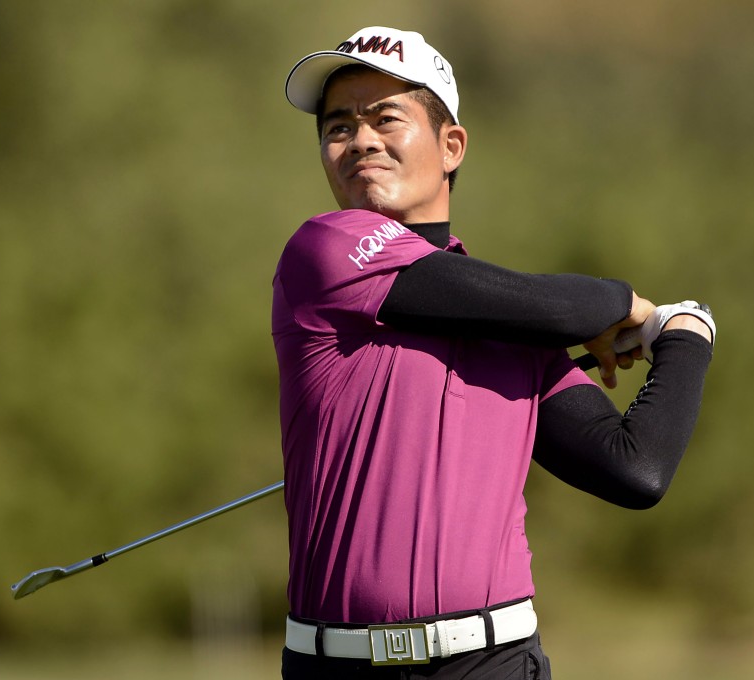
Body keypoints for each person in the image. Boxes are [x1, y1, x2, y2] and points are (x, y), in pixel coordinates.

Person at [272, 26, 715, 679]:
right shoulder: (325, 250)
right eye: (338, 127)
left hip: (494, 664)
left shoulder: (513, 324)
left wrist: (687, 336)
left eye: (385, 117)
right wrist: (641, 309)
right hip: (334, 664)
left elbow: (635, 470)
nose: (360, 139)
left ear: (451, 145)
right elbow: (565, 309)